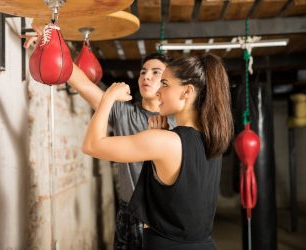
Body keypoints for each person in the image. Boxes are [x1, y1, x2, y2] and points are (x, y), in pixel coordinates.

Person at [23, 26, 173, 249]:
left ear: (168, 82)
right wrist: (48, 44)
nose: (146, 77)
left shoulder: (178, 123)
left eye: (155, 72)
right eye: (143, 71)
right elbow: (82, 83)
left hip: (162, 215)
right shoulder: (124, 113)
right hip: (128, 213)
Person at [82, 53, 234, 249]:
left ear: (187, 92)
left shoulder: (166, 142)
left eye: (165, 84)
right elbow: (177, 202)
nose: (159, 91)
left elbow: (91, 145)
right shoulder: (212, 139)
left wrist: (108, 97)